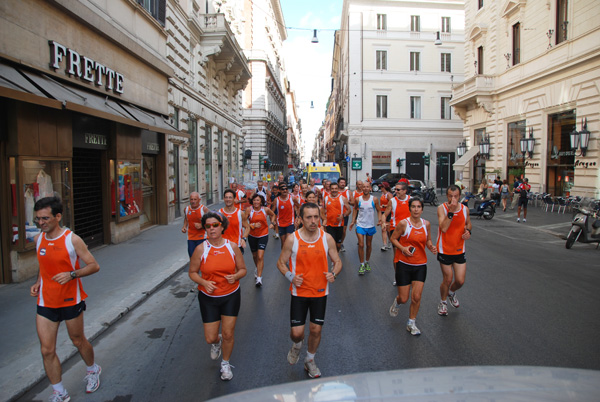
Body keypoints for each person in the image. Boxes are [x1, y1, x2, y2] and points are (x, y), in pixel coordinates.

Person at [30, 197, 101, 402]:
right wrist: (38, 282)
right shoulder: (38, 240)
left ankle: (92, 369)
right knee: (47, 349)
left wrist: (72, 274)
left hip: (71, 299)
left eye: (45, 218)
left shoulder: (72, 239)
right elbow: (44, 266)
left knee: (77, 340)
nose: (41, 223)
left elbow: (94, 265)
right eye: (37, 219)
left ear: (58, 216)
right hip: (46, 302)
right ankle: (59, 392)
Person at [277, 202, 342, 379]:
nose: (313, 221)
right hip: (299, 292)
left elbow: (337, 261)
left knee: (316, 330)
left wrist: (334, 273)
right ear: (301, 219)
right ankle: (297, 345)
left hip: (320, 292)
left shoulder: (326, 238)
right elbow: (281, 263)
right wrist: (291, 276)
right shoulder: (293, 239)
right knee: (297, 333)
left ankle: (310, 360)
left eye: (316, 217)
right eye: (309, 217)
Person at [188, 212, 247, 381]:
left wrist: (235, 277)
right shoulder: (201, 249)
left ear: (222, 226)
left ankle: (226, 364)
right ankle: (216, 341)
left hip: (230, 295)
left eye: (215, 225)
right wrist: (203, 282)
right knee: (210, 337)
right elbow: (192, 272)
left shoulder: (232, 247)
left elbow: (243, 269)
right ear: (205, 228)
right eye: (208, 226)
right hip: (208, 297)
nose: (212, 229)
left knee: (229, 333)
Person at [389, 197, 437, 335]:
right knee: (404, 298)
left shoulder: (426, 224)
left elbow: (427, 240)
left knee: (416, 297)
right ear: (410, 208)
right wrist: (403, 248)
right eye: (413, 207)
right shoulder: (404, 224)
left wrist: (431, 247)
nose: (416, 209)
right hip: (404, 264)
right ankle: (397, 302)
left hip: (420, 265)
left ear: (422, 209)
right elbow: (393, 238)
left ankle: (411, 322)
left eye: (418, 207)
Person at [436, 185, 472, 316]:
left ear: (460, 196)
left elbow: (468, 223)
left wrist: (468, 231)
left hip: (459, 249)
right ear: (447, 196)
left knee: (460, 281)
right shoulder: (442, 209)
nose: (453, 199)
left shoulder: (464, 209)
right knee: (448, 278)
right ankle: (443, 302)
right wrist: (450, 212)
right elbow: (444, 228)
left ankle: (451, 292)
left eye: (456, 196)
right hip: (444, 249)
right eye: (450, 196)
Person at [349, 183, 381, 275]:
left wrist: (379, 220)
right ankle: (361, 264)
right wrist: (353, 221)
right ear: (361, 188)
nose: (366, 188)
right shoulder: (358, 199)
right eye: (364, 187)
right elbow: (355, 209)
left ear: (370, 188)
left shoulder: (374, 199)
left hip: (370, 225)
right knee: (361, 245)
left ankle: (367, 262)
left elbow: (379, 210)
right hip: (360, 225)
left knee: (369, 245)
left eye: (367, 187)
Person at [246, 194, 277, 287]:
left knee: (260, 256)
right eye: (254, 200)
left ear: (261, 201)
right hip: (252, 235)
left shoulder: (265, 209)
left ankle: (259, 278)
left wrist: (272, 223)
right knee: (255, 256)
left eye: (258, 200)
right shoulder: (249, 210)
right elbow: (244, 222)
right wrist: (252, 225)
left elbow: (273, 215)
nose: (256, 202)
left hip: (263, 235)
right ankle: (257, 268)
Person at [322, 182, 351, 253]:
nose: (334, 190)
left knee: (338, 245)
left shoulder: (343, 198)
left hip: (339, 225)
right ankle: (334, 261)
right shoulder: (326, 198)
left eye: (335, 188)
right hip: (329, 225)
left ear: (338, 189)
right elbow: (323, 211)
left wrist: (343, 215)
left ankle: (336, 255)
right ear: (330, 189)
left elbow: (349, 210)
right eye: (332, 189)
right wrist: (324, 221)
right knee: (332, 243)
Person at [219, 189, 250, 253]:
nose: (228, 199)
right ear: (224, 199)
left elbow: (247, 227)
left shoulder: (240, 213)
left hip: (237, 246)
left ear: (234, 199)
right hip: (222, 245)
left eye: (230, 197)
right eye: (226, 197)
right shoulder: (219, 213)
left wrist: (244, 238)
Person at [182, 192, 210, 258]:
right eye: (191, 199)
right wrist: (184, 226)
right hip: (191, 237)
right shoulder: (186, 209)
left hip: (202, 237)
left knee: (202, 258)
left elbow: (210, 222)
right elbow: (186, 218)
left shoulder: (204, 209)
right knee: (192, 257)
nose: (193, 201)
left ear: (199, 200)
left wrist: (201, 225)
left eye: (195, 199)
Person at [274, 183, 297, 248]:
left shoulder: (292, 198)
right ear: (280, 191)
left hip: (290, 222)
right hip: (280, 223)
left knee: (288, 240)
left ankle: (289, 257)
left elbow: (299, 207)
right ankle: (284, 257)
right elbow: (272, 212)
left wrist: (298, 217)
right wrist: (273, 221)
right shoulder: (276, 200)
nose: (284, 190)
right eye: (282, 189)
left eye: (286, 189)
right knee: (283, 242)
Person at [337, 178, 350, 252]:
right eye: (341, 182)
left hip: (345, 214)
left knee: (344, 230)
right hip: (336, 214)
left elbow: (353, 202)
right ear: (338, 183)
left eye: (344, 182)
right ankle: (335, 243)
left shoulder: (348, 192)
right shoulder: (334, 191)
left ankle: (341, 243)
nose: (342, 184)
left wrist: (348, 202)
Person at [379, 183, 393, 250]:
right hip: (382, 212)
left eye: (381, 187)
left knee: (388, 229)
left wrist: (384, 206)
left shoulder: (389, 195)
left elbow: (392, 204)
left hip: (388, 213)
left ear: (384, 187)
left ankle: (390, 241)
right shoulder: (382, 194)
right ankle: (385, 244)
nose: (380, 188)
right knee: (383, 229)